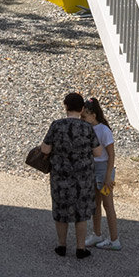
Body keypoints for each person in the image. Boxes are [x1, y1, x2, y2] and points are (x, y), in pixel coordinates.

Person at [40, 91, 104, 258]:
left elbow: (45, 149)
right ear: (82, 109)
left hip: (60, 176)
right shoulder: (88, 128)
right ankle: (80, 248)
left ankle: (62, 245)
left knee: (61, 211)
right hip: (83, 178)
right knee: (81, 213)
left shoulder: (56, 125)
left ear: (66, 107)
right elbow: (98, 152)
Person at [82, 96, 120, 250]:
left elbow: (111, 155)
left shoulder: (104, 130)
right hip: (92, 168)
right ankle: (96, 233)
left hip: (103, 168)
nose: (83, 119)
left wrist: (108, 176)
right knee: (95, 204)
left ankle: (114, 239)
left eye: (85, 116)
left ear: (93, 115)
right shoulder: (88, 129)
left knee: (108, 205)